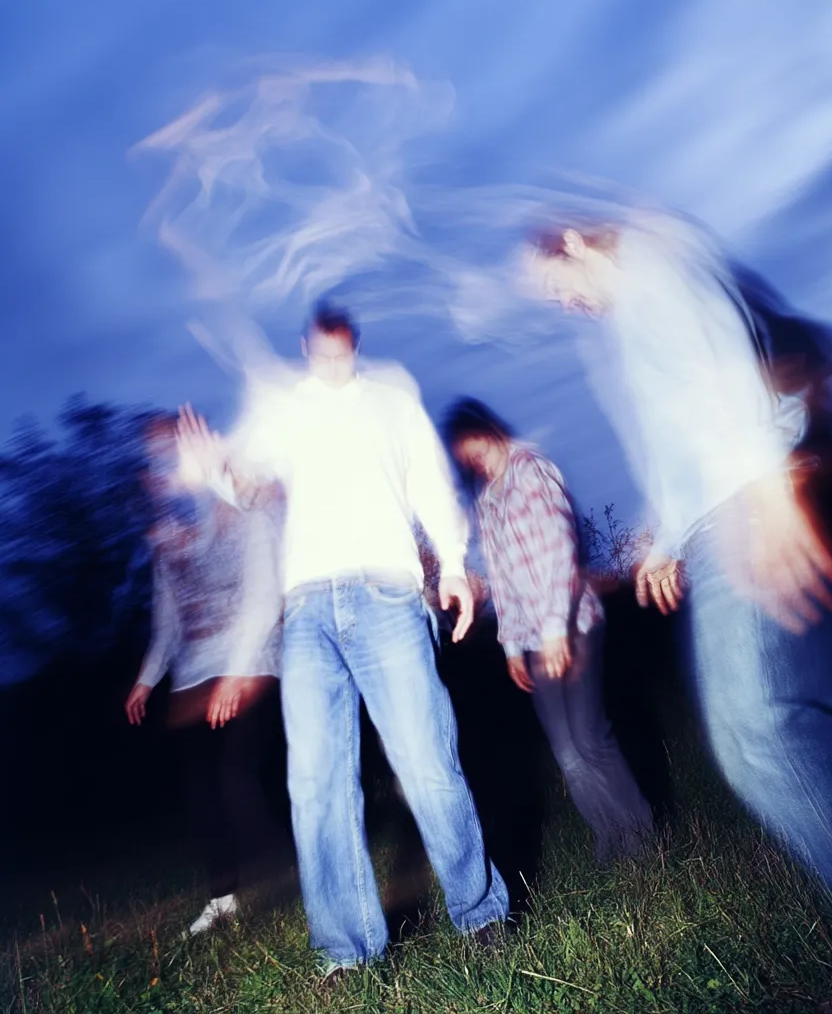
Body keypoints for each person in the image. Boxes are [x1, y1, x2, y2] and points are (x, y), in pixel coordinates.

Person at [519, 214, 832, 1009]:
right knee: (827, 711)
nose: (567, 306)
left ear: (578, 245)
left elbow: (722, 372)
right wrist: (665, 529)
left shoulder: (648, 264)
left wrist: (766, 499)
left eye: (559, 288)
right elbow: (686, 420)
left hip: (750, 505)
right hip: (745, 494)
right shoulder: (642, 293)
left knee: (755, 730)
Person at [175, 303, 509, 975]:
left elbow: (430, 481)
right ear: (306, 347)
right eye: (320, 356)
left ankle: (481, 914)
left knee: (424, 757)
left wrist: (451, 563)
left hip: (386, 593)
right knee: (316, 781)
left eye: (342, 356)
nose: (332, 366)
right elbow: (247, 487)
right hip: (307, 612)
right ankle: (347, 951)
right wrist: (214, 467)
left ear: (354, 345)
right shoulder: (282, 406)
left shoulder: (392, 398)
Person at [442, 398, 654, 862]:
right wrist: (512, 648)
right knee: (566, 751)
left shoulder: (532, 470)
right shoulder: (486, 501)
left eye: (472, 444)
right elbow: (502, 579)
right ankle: (612, 837)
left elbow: (560, 549)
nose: (471, 458)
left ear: (489, 429)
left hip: (572, 624)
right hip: (534, 640)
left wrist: (557, 630)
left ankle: (643, 839)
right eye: (462, 455)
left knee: (589, 737)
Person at [124, 415, 289, 936]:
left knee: (237, 775)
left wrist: (238, 672)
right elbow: (168, 620)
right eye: (152, 465)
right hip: (194, 672)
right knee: (200, 790)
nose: (160, 473)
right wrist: (146, 680)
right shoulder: (166, 540)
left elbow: (266, 593)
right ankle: (222, 896)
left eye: (166, 458)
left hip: (253, 658)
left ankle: (288, 869)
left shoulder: (240, 508)